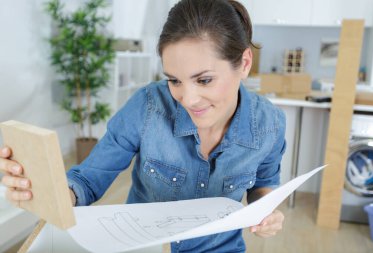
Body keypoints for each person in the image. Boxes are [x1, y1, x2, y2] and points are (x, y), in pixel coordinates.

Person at [0, 0, 286, 252]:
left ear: (244, 62)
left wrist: (267, 209)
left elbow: (263, 183)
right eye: (174, 80)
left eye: (204, 80)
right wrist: (53, 194)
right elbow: (88, 178)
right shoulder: (148, 106)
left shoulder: (270, 124)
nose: (188, 99)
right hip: (145, 248)